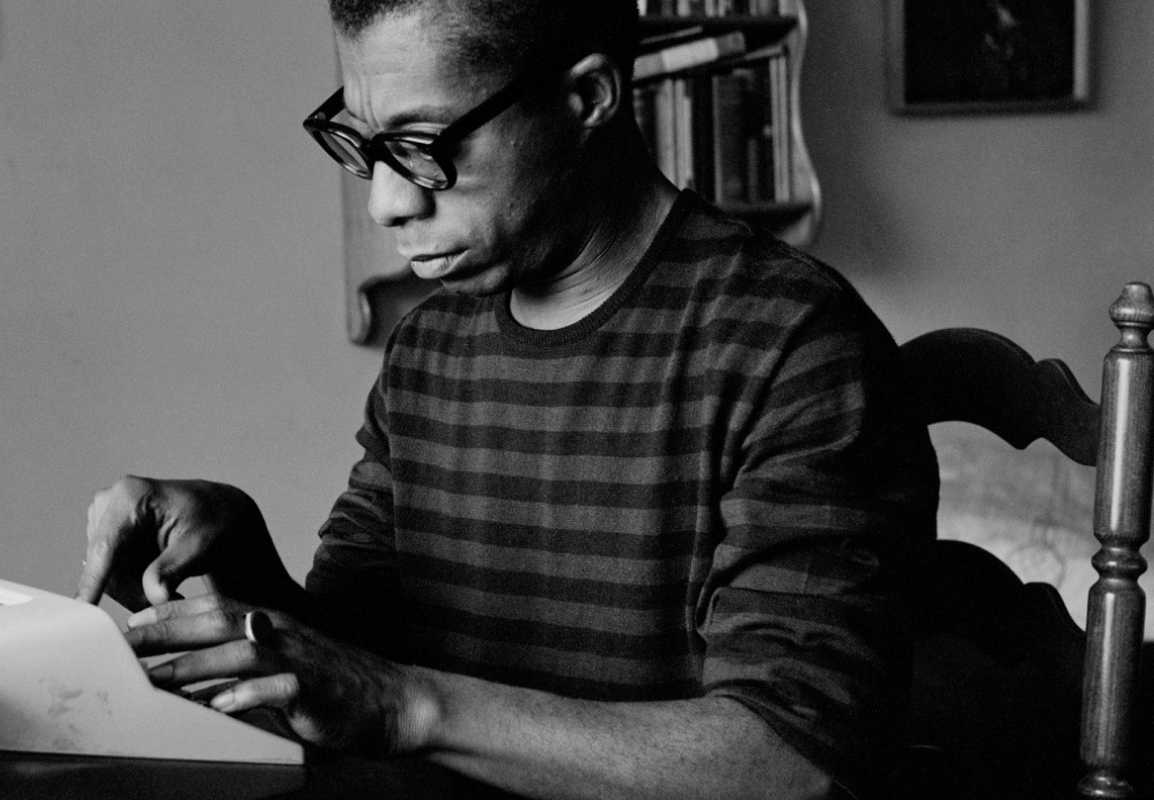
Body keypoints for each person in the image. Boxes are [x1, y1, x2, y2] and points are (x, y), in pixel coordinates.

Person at [76, 1, 939, 798]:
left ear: (589, 97)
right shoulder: (431, 346)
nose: (386, 201)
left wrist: (411, 708)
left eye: (423, 146)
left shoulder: (794, 344)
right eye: (365, 143)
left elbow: (791, 764)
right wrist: (242, 566)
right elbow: (362, 664)